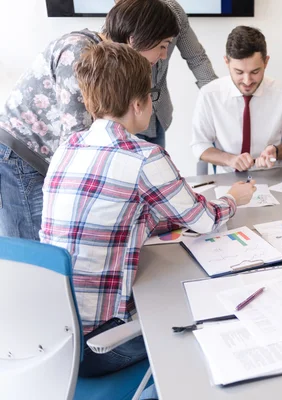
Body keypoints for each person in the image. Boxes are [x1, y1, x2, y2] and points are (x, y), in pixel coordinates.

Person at [39, 41, 256, 377]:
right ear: (139, 104)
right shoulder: (144, 158)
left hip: (52, 336)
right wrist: (234, 198)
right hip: (98, 346)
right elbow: (206, 221)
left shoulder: (68, 146)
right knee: (204, 326)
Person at [0, 0, 179, 240]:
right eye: (162, 45)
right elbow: (79, 142)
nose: (163, 54)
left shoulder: (110, 60)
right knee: (39, 256)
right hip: (24, 156)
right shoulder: (80, 51)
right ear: (135, 39)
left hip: (46, 156)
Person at [191, 26, 282, 174]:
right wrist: (230, 159)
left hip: (274, 175)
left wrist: (276, 151)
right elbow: (199, 145)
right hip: (228, 178)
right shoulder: (209, 95)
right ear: (227, 62)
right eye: (239, 72)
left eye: (255, 72)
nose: (247, 81)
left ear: (266, 62)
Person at [135, 0, 219, 148]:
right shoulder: (120, 22)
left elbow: (197, 58)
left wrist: (217, 102)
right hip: (125, 118)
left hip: (157, 115)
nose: (163, 55)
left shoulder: (174, 12)